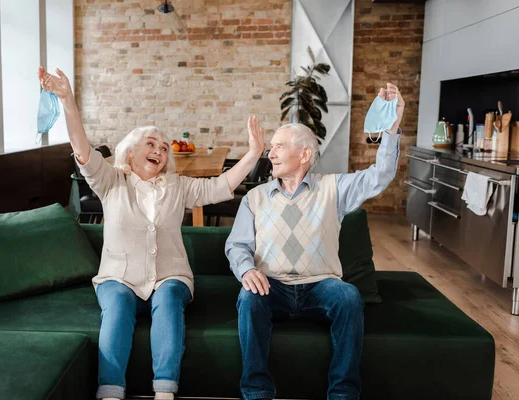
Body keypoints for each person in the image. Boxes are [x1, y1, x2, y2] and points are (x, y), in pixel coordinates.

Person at [37, 66, 265, 400]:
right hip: (119, 276)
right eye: (151, 143)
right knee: (116, 305)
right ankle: (110, 391)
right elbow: (83, 151)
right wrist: (68, 101)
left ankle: (165, 391)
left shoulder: (177, 186)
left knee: (170, 298)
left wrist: (254, 153)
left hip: (169, 275)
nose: (159, 149)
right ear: (130, 152)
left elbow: (222, 186)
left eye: (163, 147)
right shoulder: (111, 181)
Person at [225, 83, 405, 400]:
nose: (271, 152)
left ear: (305, 154)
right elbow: (237, 246)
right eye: (272, 146)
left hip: (321, 285)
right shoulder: (255, 197)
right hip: (273, 286)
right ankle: (256, 391)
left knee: (348, 296)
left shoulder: (334, 189)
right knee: (248, 297)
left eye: (280, 146)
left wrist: (391, 128)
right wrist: (246, 271)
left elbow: (380, 175)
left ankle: (343, 393)